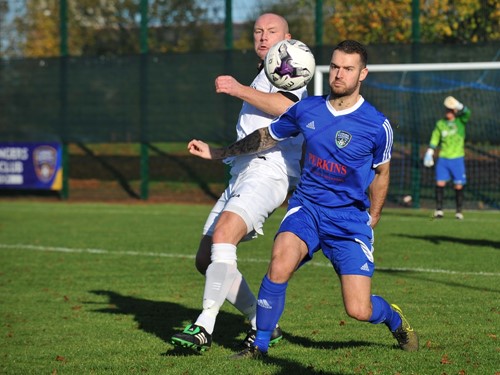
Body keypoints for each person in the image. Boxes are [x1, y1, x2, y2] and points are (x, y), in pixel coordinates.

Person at [187, 40, 419, 359]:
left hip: (348, 220)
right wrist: (219, 153)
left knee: (358, 308)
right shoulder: (307, 109)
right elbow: (266, 136)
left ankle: (393, 318)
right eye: (335, 66)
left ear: (362, 73)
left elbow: (382, 174)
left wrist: (375, 214)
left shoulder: (377, 125)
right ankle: (260, 344)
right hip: (307, 209)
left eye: (348, 68)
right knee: (279, 265)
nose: (339, 74)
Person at [170, 13, 308, 352]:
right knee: (206, 257)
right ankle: (263, 324)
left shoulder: (290, 68)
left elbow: (284, 109)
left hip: (270, 170)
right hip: (245, 171)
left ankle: (204, 325)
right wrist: (216, 154)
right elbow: (258, 136)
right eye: (258, 31)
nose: (263, 37)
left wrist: (236, 88)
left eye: (271, 31)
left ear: (287, 37)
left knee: (224, 234)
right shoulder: (265, 73)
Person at [423, 96, 472, 220]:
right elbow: (435, 137)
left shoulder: (460, 122)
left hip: (457, 158)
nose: (448, 113)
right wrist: (430, 151)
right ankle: (439, 210)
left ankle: (459, 211)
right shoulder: (440, 124)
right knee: (440, 183)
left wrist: (459, 105)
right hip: (443, 158)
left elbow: (468, 113)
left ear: (455, 111)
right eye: (447, 110)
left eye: (450, 110)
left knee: (458, 185)